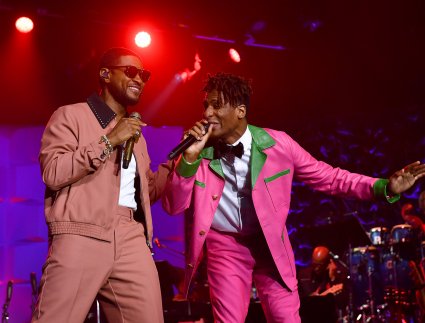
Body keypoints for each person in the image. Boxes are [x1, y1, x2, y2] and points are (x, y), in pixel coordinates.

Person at [161, 72, 425, 323]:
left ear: (240, 110)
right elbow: (173, 206)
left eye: (216, 105)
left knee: (285, 318)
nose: (207, 113)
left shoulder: (279, 145)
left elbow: (330, 178)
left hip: (270, 244)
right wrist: (190, 159)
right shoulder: (198, 153)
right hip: (225, 247)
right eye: (205, 105)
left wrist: (384, 188)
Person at [33, 47, 171, 323]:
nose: (139, 79)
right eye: (131, 71)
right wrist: (108, 141)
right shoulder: (70, 116)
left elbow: (147, 194)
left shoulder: (137, 135)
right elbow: (53, 172)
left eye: (144, 75)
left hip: (131, 236)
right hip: (81, 231)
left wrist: (179, 164)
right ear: (105, 74)